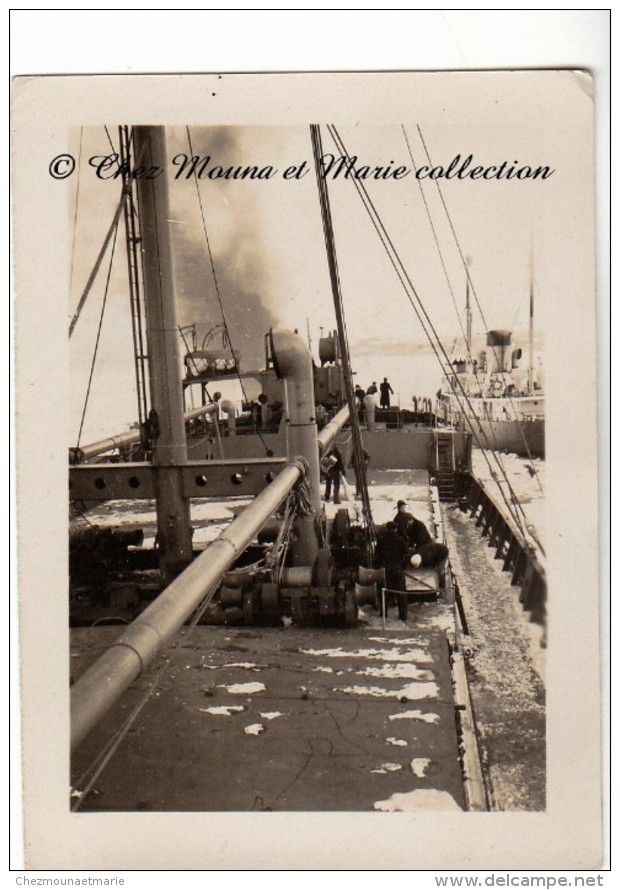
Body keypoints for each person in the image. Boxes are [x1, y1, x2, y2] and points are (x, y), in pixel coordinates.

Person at [374, 521, 409, 621]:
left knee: (383, 592)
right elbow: (407, 555)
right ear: (396, 529)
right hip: (397, 569)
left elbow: (377, 556)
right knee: (401, 592)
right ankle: (403, 616)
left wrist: (378, 567)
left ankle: (384, 614)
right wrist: (403, 567)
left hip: (385, 569)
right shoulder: (400, 540)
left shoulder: (381, 541)